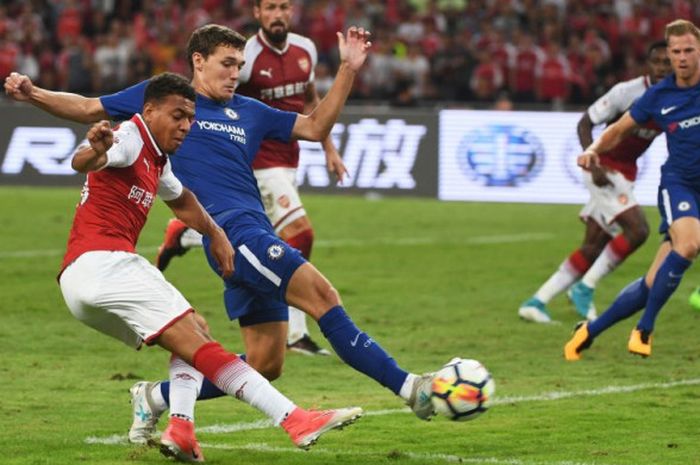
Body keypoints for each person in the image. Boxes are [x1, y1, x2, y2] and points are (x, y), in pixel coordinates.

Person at [5, 24, 440, 444]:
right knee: (322, 296)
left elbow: (313, 127)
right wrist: (33, 93)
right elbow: (86, 108)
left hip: (242, 234)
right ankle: (410, 388)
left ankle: (155, 396)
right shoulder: (165, 100)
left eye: (241, 65)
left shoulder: (249, 111)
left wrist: (347, 69)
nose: (237, 73)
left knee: (267, 362)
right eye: (228, 63)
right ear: (199, 60)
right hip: (241, 234)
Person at [54, 72, 362, 462]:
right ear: (149, 110)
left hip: (78, 285)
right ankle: (293, 418)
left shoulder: (157, 158)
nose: (185, 126)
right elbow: (86, 160)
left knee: (193, 330)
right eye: (177, 115)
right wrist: (94, 150)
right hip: (106, 264)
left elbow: (182, 200)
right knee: (203, 346)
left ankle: (181, 426)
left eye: (190, 118)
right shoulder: (129, 138)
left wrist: (215, 232)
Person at [155, 0, 345, 357]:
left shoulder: (306, 49)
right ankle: (297, 332)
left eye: (284, 7)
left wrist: (329, 148)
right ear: (257, 13)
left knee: (263, 240)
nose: (278, 14)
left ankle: (186, 235)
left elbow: (310, 100)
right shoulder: (247, 56)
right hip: (256, 161)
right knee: (299, 234)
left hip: (289, 156)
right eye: (270, 7)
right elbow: (221, 103)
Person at [565, 19, 700, 360]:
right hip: (680, 185)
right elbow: (619, 130)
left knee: (654, 282)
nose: (682, 57)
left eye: (689, 50)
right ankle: (645, 328)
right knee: (688, 246)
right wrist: (593, 150)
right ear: (669, 55)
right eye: (676, 52)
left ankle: (588, 332)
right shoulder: (658, 96)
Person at [519, 41, 671, 324]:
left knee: (593, 245)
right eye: (657, 61)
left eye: (668, 61)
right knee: (638, 230)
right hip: (604, 169)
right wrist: (593, 159)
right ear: (647, 65)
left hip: (625, 172)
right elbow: (584, 123)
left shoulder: (675, 95)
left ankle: (536, 302)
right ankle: (585, 288)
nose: (663, 67)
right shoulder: (627, 92)